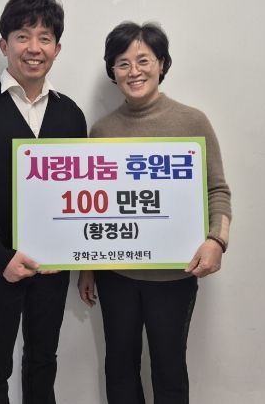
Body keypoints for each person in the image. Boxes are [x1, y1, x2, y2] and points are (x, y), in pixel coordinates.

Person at [77, 22, 232, 404]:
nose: (134, 71)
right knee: (119, 368)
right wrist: (88, 265)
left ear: (161, 64)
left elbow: (217, 190)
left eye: (143, 60)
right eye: (123, 63)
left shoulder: (192, 122)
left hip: (174, 275)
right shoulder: (102, 131)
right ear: (113, 71)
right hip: (116, 275)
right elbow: (94, 203)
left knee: (169, 368)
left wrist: (217, 240)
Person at [0, 0, 87, 404]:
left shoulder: (70, 115)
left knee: (43, 361)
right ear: (4, 44)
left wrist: (78, 256)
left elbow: (79, 195)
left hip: (53, 268)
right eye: (23, 36)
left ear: (57, 48)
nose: (34, 48)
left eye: (45, 38)